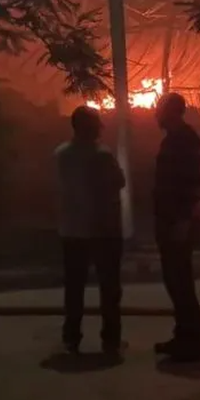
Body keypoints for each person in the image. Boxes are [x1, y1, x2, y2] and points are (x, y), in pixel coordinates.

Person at [54, 105, 127, 356]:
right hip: (102, 230)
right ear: (92, 128)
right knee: (109, 288)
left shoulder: (61, 154)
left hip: (72, 230)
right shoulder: (102, 155)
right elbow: (119, 182)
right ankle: (111, 340)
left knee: (74, 288)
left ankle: (71, 338)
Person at [152, 92, 200, 362]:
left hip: (178, 222)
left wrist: (184, 220)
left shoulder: (184, 141)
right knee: (175, 281)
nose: (156, 116)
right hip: (170, 220)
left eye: (160, 111)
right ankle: (185, 336)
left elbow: (191, 184)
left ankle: (195, 340)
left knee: (180, 282)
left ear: (171, 113)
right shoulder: (177, 140)